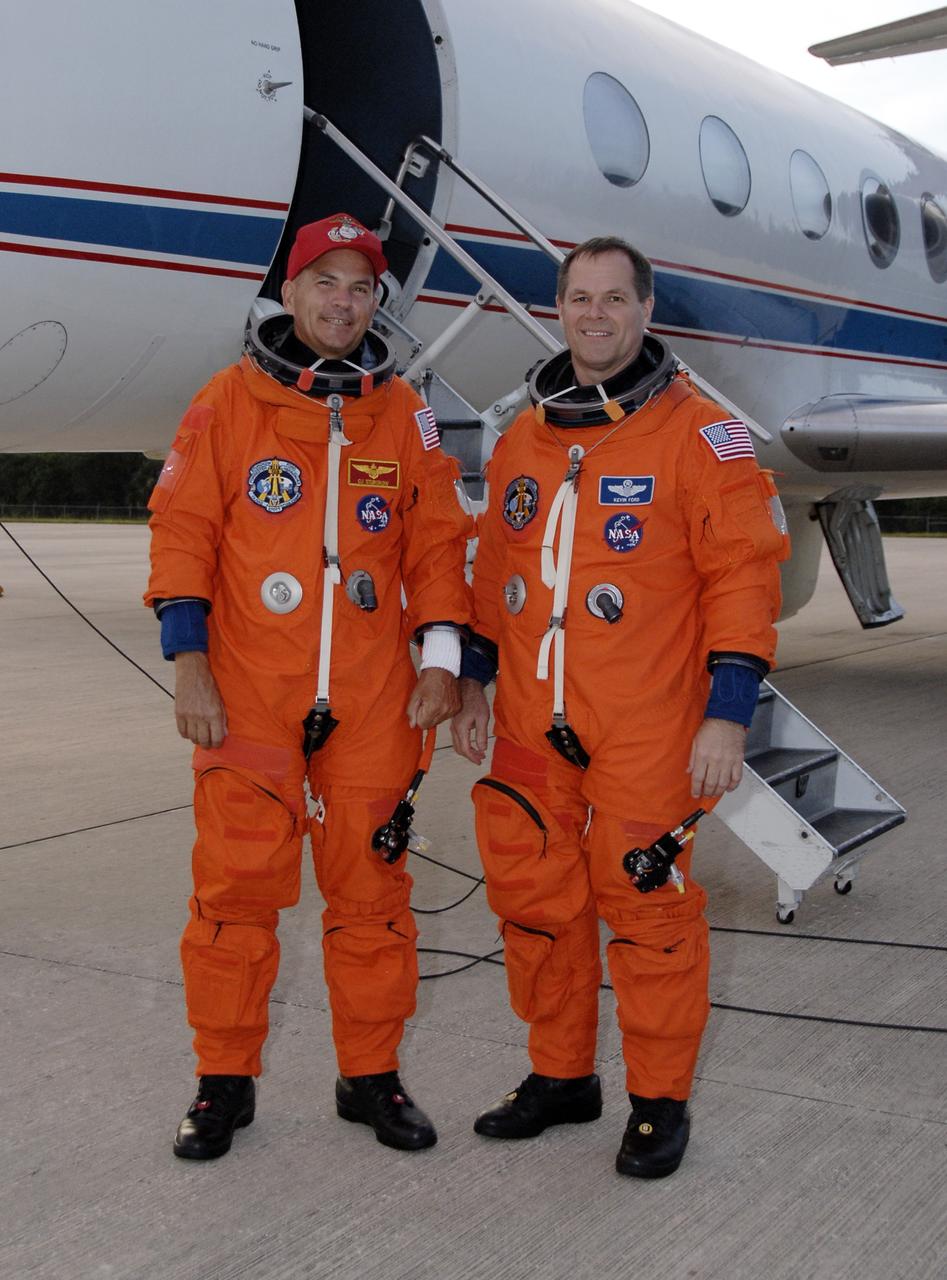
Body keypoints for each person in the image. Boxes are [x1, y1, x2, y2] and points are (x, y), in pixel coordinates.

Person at [451, 235, 788, 1178]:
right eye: (577, 297)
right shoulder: (523, 434)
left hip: (647, 722)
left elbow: (742, 580)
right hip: (528, 719)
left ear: (645, 311)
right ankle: (562, 1079)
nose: (593, 313)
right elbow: (497, 576)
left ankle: (656, 1102)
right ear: (558, 308)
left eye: (612, 298)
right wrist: (473, 676)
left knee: (648, 914)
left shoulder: (698, 435)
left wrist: (728, 712)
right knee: (535, 901)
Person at [146, 213, 474, 1160]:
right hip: (247, 693)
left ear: (378, 300)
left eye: (361, 286)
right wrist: (189, 660)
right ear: (289, 294)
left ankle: (368, 1074)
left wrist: (443, 660)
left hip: (374, 698)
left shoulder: (400, 412)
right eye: (325, 281)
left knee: (373, 893)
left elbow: (437, 538)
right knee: (235, 894)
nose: (343, 300)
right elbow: (183, 531)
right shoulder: (228, 400)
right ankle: (222, 1083)